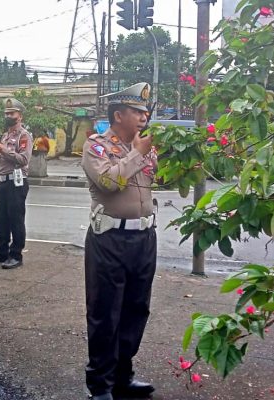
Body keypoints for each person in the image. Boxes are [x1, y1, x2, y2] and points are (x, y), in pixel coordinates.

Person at [81, 82, 157, 400]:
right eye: (136, 111)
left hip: (144, 238)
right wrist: (137, 154)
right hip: (109, 238)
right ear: (118, 115)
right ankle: (101, 384)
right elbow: (109, 182)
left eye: (145, 111)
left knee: (136, 311)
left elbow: (161, 179)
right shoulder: (96, 147)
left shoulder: (146, 149)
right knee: (105, 313)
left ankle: (124, 376)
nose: (143, 117)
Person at [0, 98, 33, 269]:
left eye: (11, 113)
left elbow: (23, 160)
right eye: (6, 113)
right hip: (3, 181)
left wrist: (4, 150)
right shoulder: (5, 135)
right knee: (0, 217)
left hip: (16, 182)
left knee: (15, 219)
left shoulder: (24, 136)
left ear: (20, 115)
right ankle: (1, 251)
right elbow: (2, 159)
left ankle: (16, 255)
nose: (8, 116)